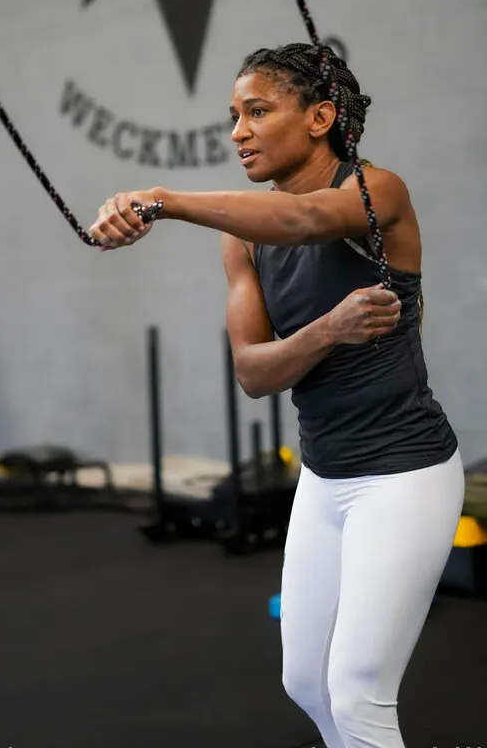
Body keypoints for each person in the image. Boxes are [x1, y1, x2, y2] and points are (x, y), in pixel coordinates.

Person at [89, 42, 464, 748]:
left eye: (257, 112)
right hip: (324, 478)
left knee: (357, 693)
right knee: (306, 684)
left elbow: (305, 221)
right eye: (234, 116)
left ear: (320, 118)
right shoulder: (243, 242)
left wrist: (161, 200)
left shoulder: (378, 191)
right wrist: (329, 329)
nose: (238, 132)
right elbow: (254, 373)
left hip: (404, 474)